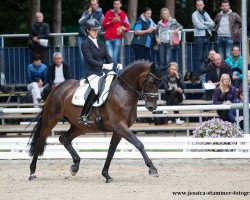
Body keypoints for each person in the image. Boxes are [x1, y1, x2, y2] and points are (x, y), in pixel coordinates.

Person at [79, 19, 120, 124]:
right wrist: (104, 65)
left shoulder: (101, 43)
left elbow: (108, 57)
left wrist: (115, 64)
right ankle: (83, 115)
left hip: (103, 72)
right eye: (93, 30)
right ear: (88, 30)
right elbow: (90, 60)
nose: (96, 32)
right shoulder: (85, 44)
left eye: (97, 30)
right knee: (96, 90)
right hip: (93, 72)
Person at [78, 0, 104, 78]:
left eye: (95, 4)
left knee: (92, 58)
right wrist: (88, 15)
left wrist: (92, 34)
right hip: (81, 37)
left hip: (92, 39)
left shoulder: (101, 15)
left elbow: (101, 28)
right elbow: (80, 22)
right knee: (82, 58)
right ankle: (82, 78)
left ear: (98, 5)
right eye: (92, 4)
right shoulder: (86, 13)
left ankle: (92, 76)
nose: (93, 6)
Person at [156, 7, 183, 75]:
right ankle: (162, 76)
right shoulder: (159, 23)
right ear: (161, 15)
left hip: (169, 43)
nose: (165, 15)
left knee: (168, 60)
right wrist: (157, 38)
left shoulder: (173, 21)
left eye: (167, 13)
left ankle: (169, 76)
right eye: (164, 14)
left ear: (169, 14)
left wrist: (177, 29)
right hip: (161, 43)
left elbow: (181, 27)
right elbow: (156, 33)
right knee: (162, 60)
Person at [192, 0, 214, 74]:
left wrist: (204, 22)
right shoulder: (194, 14)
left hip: (207, 37)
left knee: (205, 57)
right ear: (196, 6)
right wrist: (208, 25)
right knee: (199, 57)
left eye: (200, 5)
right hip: (199, 37)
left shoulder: (206, 13)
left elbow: (213, 24)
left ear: (203, 5)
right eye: (198, 5)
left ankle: (204, 74)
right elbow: (198, 26)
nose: (199, 6)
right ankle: (197, 74)